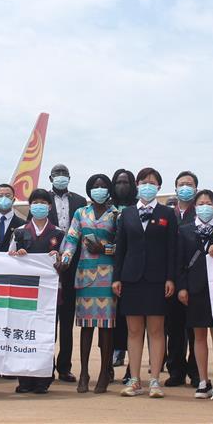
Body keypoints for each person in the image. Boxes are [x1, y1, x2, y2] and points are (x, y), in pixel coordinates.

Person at [112, 167, 178, 398]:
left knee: (157, 330)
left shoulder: (167, 214)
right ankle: (134, 379)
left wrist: (171, 277)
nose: (147, 185)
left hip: (158, 279)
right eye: (143, 181)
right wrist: (116, 277)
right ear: (137, 185)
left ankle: (155, 380)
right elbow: (121, 248)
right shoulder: (127, 214)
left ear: (159, 187)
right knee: (134, 330)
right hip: (131, 278)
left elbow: (172, 249)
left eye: (152, 182)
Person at [59, 174, 118, 394]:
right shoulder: (80, 213)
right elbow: (71, 239)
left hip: (107, 275)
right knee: (85, 327)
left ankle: (104, 372)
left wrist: (104, 249)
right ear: (89, 190)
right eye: (95, 186)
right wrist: (65, 260)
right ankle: (84, 373)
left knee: (106, 328)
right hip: (85, 275)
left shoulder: (115, 214)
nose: (99, 189)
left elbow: (120, 245)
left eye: (103, 186)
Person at [9, 188, 65, 394]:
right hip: (24, 292)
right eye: (35, 202)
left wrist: (58, 258)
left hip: (50, 294)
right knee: (24, 334)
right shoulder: (20, 232)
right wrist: (17, 254)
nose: (39, 206)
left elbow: (65, 260)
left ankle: (43, 377)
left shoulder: (59, 233)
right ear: (30, 206)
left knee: (46, 335)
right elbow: (8, 258)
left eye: (43, 202)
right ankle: (24, 379)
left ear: (49, 207)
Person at [179, 189, 213, 401]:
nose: (205, 206)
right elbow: (179, 261)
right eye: (201, 203)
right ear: (195, 207)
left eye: (209, 203)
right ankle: (202, 380)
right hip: (195, 289)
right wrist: (182, 287)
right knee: (198, 336)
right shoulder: (185, 230)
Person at [44, 164, 86, 383]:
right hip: (48, 267)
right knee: (48, 321)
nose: (61, 178)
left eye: (64, 175)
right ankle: (46, 366)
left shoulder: (80, 202)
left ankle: (64, 367)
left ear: (69, 178)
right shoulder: (42, 200)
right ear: (50, 177)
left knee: (67, 320)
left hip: (71, 267)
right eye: (57, 174)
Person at [166, 171, 198, 388]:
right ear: (175, 188)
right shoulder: (169, 215)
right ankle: (175, 370)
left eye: (189, 184)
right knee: (174, 329)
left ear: (196, 188)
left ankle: (196, 371)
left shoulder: (202, 213)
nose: (185, 187)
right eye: (181, 184)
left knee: (195, 329)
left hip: (194, 279)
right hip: (171, 277)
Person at [110, 169, 137, 379]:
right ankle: (109, 364)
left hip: (131, 270)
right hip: (106, 269)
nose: (122, 186)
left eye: (126, 182)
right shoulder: (105, 207)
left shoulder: (138, 207)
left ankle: (131, 368)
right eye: (118, 182)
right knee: (110, 321)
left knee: (133, 321)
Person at [0, 184, 25, 252]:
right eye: (0, 196)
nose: (4, 198)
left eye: (8, 196)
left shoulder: (23, 225)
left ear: (13, 200)